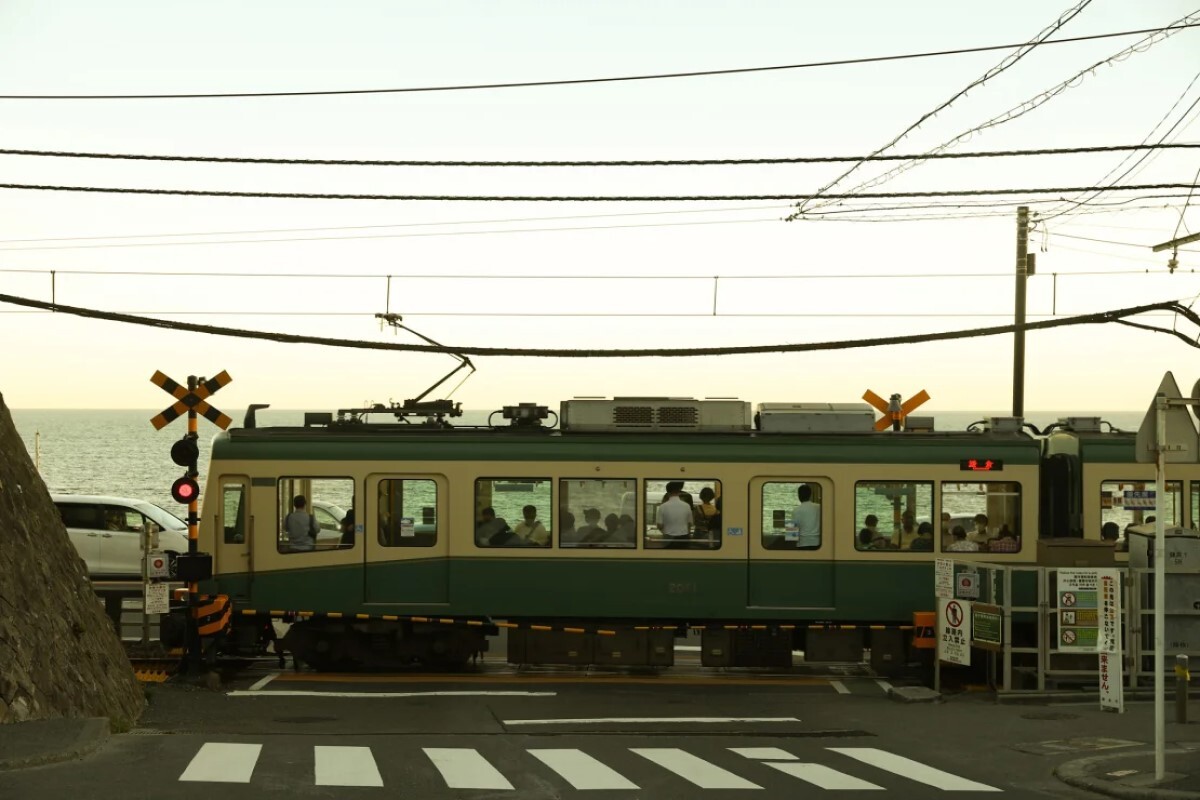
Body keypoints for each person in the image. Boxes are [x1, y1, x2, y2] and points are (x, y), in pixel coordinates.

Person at [656, 481, 693, 548]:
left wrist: (665, 531)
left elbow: (659, 525)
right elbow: (690, 523)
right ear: (679, 491)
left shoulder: (663, 506)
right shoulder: (687, 506)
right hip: (683, 538)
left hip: (668, 538)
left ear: (668, 492)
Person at [791, 484, 821, 548]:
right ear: (810, 495)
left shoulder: (795, 510)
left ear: (799, 496)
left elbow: (792, 534)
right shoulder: (819, 507)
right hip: (818, 544)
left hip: (802, 544)